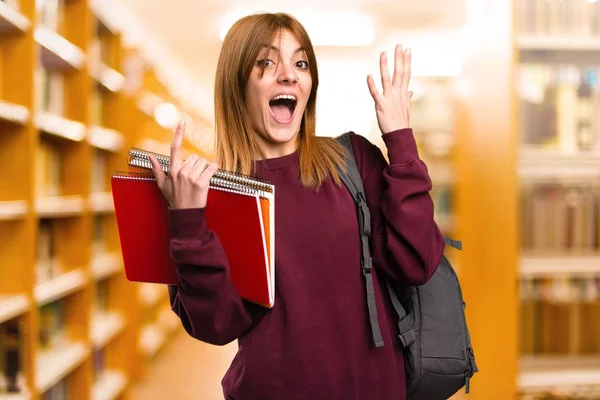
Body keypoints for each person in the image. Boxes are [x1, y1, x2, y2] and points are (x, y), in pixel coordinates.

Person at [148, 11, 446, 400]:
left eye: (300, 63)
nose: (288, 74)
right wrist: (188, 226)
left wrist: (401, 141)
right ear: (237, 85)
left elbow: (417, 261)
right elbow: (216, 325)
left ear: (309, 84)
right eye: (266, 62)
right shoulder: (215, 192)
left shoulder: (353, 161)